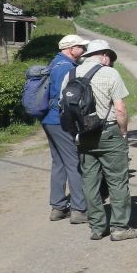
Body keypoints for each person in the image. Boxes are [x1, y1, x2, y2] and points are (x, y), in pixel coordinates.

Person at [65, 39, 137, 241]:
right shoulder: (110, 73)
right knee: (117, 181)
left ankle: (97, 227)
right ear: (105, 55)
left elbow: (62, 106)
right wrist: (124, 132)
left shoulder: (71, 74)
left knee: (89, 181)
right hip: (108, 132)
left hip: (83, 136)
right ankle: (119, 228)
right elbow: (120, 109)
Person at [42, 34, 89, 223]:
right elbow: (69, 99)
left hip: (48, 119)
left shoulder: (54, 63)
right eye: (81, 47)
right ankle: (79, 210)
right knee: (73, 162)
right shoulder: (68, 68)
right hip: (60, 120)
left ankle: (58, 207)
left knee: (59, 162)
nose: (84, 50)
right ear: (71, 48)